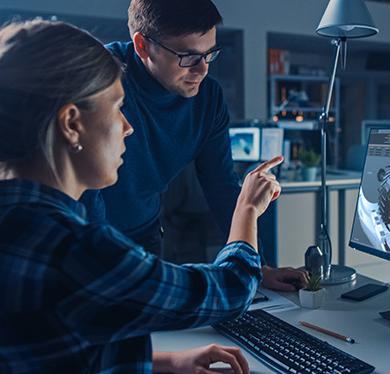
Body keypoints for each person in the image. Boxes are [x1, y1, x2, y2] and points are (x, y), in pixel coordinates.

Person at [0, 20, 281, 373]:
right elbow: (230, 289)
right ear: (71, 124)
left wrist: (164, 362)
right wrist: (248, 209)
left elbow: (55, 345)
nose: (128, 126)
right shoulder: (78, 251)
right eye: (117, 107)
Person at [80, 0, 306, 291]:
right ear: (142, 46)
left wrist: (258, 265)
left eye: (209, 54)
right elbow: (84, 188)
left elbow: (221, 184)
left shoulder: (208, 99)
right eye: (187, 56)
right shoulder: (101, 80)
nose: (201, 70)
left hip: (144, 234)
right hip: (86, 235)